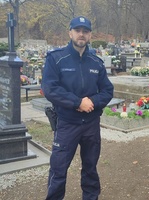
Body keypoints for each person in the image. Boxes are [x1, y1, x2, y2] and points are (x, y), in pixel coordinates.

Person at [41, 16, 114, 200]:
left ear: (90, 35)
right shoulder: (56, 59)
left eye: (85, 31)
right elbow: (50, 89)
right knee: (58, 170)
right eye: (78, 30)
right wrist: (77, 102)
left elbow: (107, 90)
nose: (81, 34)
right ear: (70, 32)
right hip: (67, 123)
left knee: (90, 168)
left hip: (90, 124)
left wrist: (92, 102)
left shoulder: (96, 62)